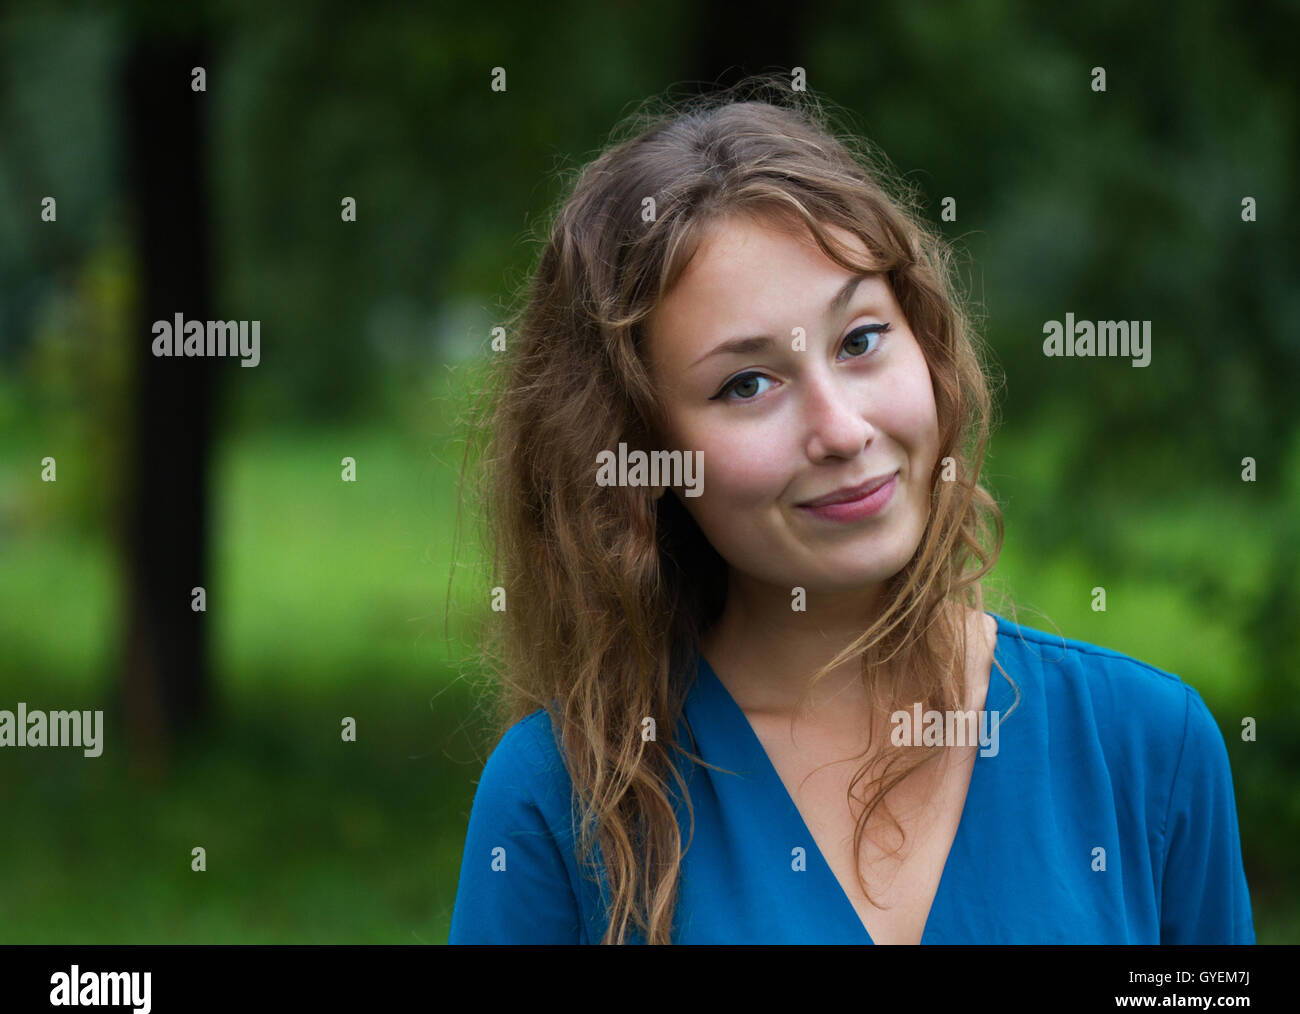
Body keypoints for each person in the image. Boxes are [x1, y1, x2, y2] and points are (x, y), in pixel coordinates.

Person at [446, 76, 1256, 945]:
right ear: (641, 457)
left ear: (927, 344)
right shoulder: (564, 798)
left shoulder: (1148, 747)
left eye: (860, 339)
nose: (840, 428)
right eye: (746, 383)